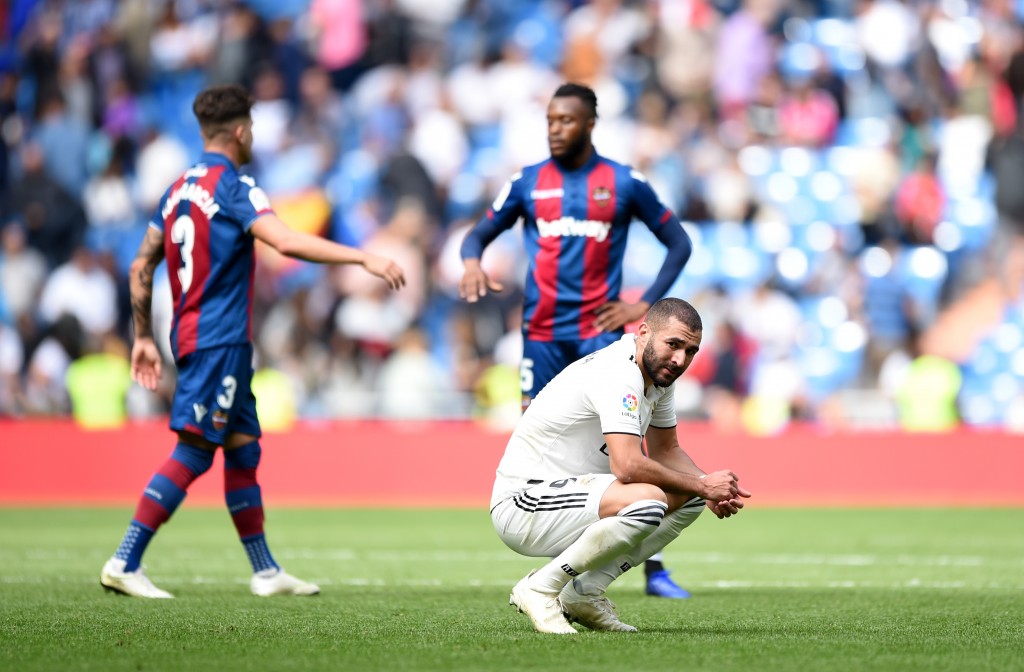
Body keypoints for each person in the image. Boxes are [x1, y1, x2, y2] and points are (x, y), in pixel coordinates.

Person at [100, 84, 405, 599]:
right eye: (253, 129)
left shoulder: (176, 189)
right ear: (241, 131)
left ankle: (265, 571)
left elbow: (140, 264)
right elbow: (283, 241)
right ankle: (125, 559)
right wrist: (362, 257)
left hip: (204, 338)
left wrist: (142, 338)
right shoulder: (235, 185)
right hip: (217, 339)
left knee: (243, 451)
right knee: (195, 451)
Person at [459, 82, 695, 598]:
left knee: (616, 446)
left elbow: (679, 242)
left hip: (598, 335)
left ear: (590, 124)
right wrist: (472, 262)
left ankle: (649, 566)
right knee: (546, 444)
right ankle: (564, 564)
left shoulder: (624, 182)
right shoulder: (527, 183)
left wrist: (645, 307)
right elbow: (476, 234)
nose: (555, 130)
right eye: (549, 121)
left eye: (565, 120)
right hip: (541, 336)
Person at [489, 298, 751, 634]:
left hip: (576, 499)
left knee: (690, 495)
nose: (680, 359)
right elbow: (627, 466)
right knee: (650, 499)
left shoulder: (657, 376)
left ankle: (583, 592)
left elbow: (667, 449)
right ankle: (540, 588)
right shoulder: (618, 372)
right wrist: (702, 483)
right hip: (523, 504)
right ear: (643, 333)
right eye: (673, 344)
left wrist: (705, 486)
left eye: (690, 351)